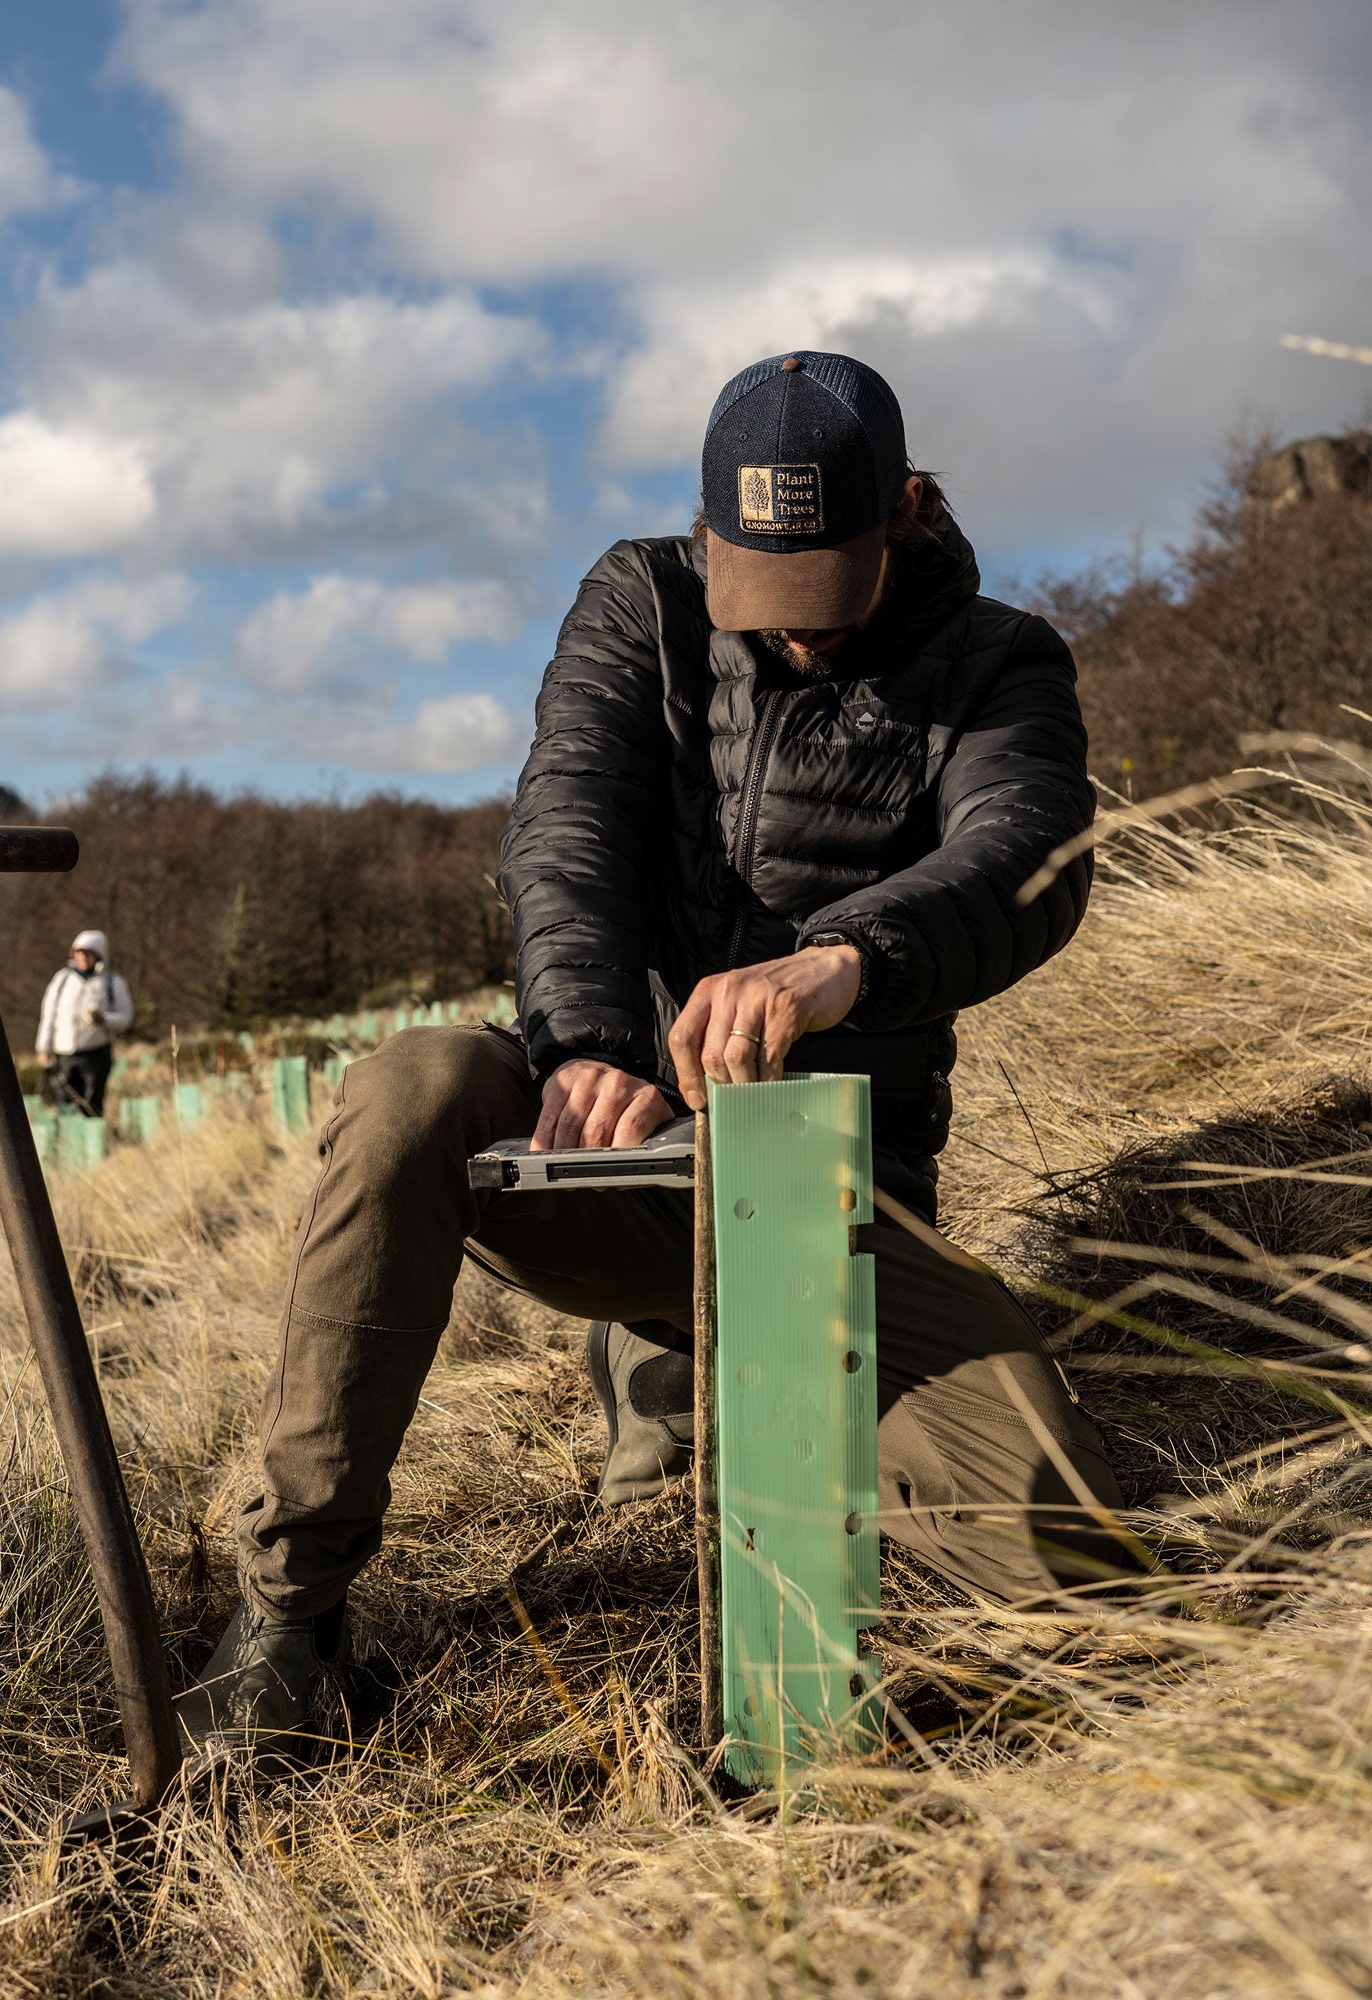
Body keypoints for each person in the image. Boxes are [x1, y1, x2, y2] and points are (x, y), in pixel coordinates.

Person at [176, 349, 1131, 1769]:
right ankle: (289, 1614)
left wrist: (848, 959)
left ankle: (692, 1364)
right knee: (408, 1091)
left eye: (825, 600)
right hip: (614, 1156)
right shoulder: (641, 599)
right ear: (703, 531)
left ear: (908, 513)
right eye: (762, 602)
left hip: (838, 1213)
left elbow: (1030, 861)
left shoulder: (1002, 661)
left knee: (1082, 1579)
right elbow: (565, 833)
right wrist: (588, 1045)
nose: (794, 639)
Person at [36, 930, 133, 1118]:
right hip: (64, 1053)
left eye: (88, 952)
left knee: (92, 1105)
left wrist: (103, 1019)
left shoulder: (112, 983)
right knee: (64, 1103)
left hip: (96, 1053)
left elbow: (126, 1018)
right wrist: (43, 1047)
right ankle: (67, 1142)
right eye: (79, 952)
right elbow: (48, 1015)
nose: (83, 957)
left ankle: (92, 1143)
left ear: (99, 955)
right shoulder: (61, 980)